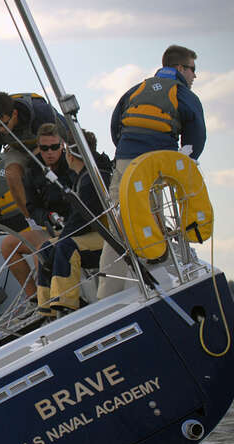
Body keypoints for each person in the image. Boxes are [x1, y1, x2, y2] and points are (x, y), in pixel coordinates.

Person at [98, 44, 206, 298]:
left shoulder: (136, 89)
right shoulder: (184, 94)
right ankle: (153, 279)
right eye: (192, 69)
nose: (194, 76)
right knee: (150, 218)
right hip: (154, 163)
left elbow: (116, 125)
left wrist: (125, 153)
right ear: (180, 68)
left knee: (119, 224)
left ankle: (107, 293)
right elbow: (196, 135)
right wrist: (185, 161)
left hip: (125, 161)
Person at [36, 139, 112, 317]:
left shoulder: (93, 178)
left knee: (66, 246)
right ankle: (47, 308)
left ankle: (66, 304)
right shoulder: (83, 178)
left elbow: (83, 220)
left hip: (110, 236)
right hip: (95, 233)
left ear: (70, 155)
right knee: (46, 248)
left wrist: (63, 238)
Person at [0, 92, 66, 219]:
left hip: (45, 144)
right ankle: (32, 220)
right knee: (11, 174)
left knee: (40, 164)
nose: (1, 129)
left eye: (4, 124)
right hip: (17, 147)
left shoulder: (41, 112)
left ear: (15, 114)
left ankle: (60, 209)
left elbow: (69, 131)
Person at [0, 123, 73, 299]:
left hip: (74, 226)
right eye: (44, 148)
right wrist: (46, 218)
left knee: (41, 250)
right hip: (50, 227)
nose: (49, 152)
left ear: (62, 146)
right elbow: (32, 208)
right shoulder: (33, 171)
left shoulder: (72, 165)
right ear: (38, 148)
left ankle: (50, 301)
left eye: (54, 147)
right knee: (8, 245)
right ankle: (34, 298)